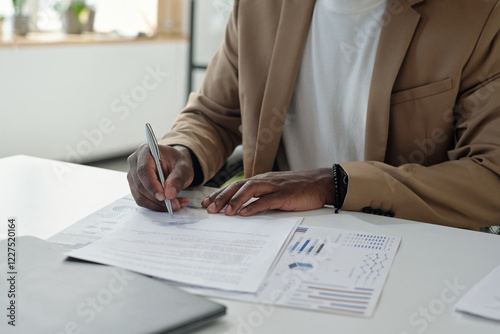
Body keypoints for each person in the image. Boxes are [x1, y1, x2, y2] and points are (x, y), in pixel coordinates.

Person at [127, 0, 500, 231]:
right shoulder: (258, 7)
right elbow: (215, 114)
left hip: (407, 248)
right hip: (268, 240)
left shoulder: (480, 14)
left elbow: (491, 173)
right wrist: (181, 152)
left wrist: (333, 183)